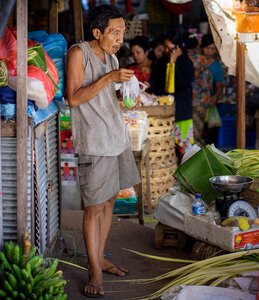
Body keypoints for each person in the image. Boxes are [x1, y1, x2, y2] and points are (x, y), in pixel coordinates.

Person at [65, 5, 140, 298]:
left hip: (115, 137)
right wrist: (109, 79)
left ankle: (101, 257)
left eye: (122, 32)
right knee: (94, 207)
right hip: (94, 142)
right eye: (115, 32)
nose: (120, 38)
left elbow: (106, 96)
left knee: (108, 202)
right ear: (97, 32)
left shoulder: (111, 56)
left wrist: (127, 92)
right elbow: (73, 98)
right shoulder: (78, 53)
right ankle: (93, 269)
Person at [200, 34, 225, 145]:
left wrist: (215, 96)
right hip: (198, 104)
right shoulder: (197, 63)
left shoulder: (216, 65)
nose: (210, 51)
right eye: (207, 48)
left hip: (210, 102)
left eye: (212, 49)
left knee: (210, 134)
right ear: (202, 48)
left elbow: (219, 84)